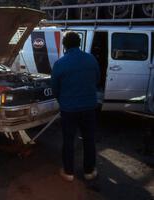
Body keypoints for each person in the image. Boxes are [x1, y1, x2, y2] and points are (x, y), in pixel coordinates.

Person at [51, 31, 100, 182]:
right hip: (89, 107)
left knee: (68, 140)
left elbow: (55, 89)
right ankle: (89, 171)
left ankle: (68, 172)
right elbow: (97, 79)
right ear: (79, 43)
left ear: (64, 45)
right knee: (89, 139)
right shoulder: (91, 59)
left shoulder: (60, 63)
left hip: (69, 109)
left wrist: (63, 100)